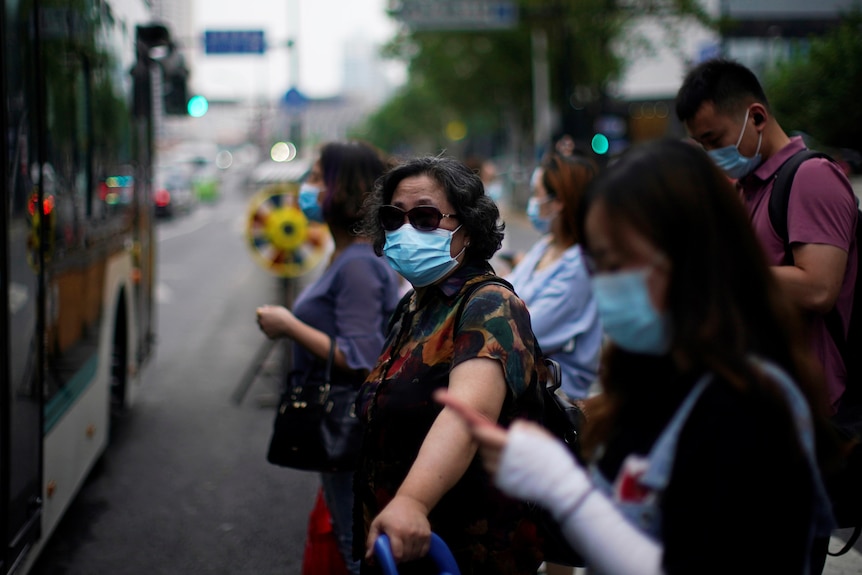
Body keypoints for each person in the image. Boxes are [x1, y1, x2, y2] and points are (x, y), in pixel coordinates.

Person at [436, 139, 843, 574]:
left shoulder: (753, 405)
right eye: (599, 265)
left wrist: (564, 489)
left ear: (693, 257)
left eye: (619, 264)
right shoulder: (648, 385)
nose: (604, 285)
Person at [353, 155, 545, 574]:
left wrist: (412, 501)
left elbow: (467, 414)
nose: (406, 230)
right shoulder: (415, 304)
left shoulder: (490, 304)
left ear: (468, 227)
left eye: (425, 217)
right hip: (400, 546)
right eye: (393, 217)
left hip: (464, 551)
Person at [675, 58, 858, 416]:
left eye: (715, 140)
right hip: (773, 400)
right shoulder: (748, 188)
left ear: (756, 117)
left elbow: (819, 287)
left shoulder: (811, 177)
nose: (712, 155)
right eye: (702, 145)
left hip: (820, 408)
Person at [256, 140, 401, 574]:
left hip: (351, 427)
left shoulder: (357, 262)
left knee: (356, 546)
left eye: (317, 177)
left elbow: (361, 357)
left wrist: (289, 326)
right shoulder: (343, 254)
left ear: (345, 188)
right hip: (344, 425)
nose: (307, 187)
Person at [507, 153, 602, 403]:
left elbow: (523, 332)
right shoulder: (547, 245)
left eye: (536, 194)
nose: (533, 203)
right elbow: (505, 292)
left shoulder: (580, 266)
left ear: (558, 201)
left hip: (555, 399)